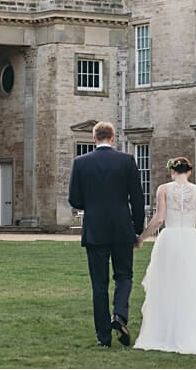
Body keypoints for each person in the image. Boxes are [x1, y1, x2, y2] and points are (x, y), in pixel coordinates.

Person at [133, 156, 196, 355]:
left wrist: (142, 237)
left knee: (166, 285)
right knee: (192, 285)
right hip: (192, 240)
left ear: (172, 171)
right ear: (189, 172)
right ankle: (193, 329)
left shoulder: (163, 189)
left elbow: (159, 218)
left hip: (169, 240)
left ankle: (165, 331)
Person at [67, 121, 147, 348]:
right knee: (124, 276)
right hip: (122, 226)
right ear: (113, 138)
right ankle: (119, 315)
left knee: (99, 284)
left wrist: (91, 205)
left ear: (94, 138)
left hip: (94, 228)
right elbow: (137, 198)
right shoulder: (127, 161)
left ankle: (103, 337)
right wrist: (137, 228)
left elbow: (74, 198)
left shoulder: (81, 163)